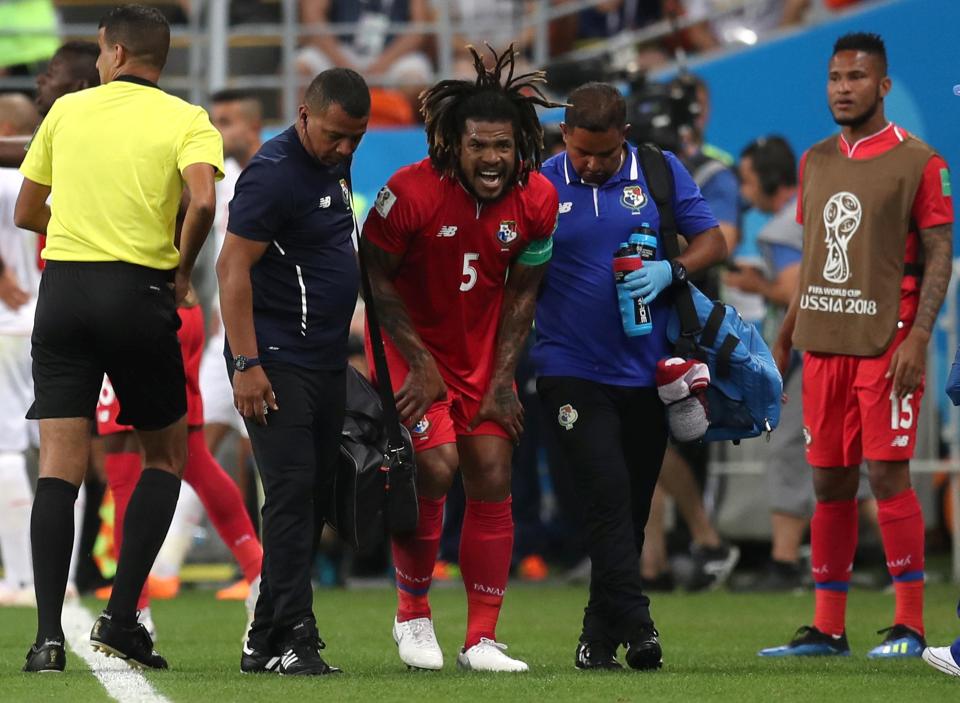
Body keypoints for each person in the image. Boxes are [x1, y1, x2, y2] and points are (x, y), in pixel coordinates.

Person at [15, 5, 222, 672]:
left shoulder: (68, 114)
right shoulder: (187, 120)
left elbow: (26, 210)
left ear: (113, 51)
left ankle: (48, 636)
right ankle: (121, 614)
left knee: (59, 466)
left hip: (65, 292)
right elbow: (205, 202)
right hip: (138, 291)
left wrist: (81, 218)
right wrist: (181, 270)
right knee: (164, 453)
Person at [361, 45, 559, 673]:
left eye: (503, 145)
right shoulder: (409, 192)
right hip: (407, 348)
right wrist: (419, 364)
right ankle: (413, 615)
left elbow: (524, 295)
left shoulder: (537, 200)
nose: (493, 159)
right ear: (454, 142)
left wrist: (502, 382)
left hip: (481, 354)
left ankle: (481, 639)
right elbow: (375, 276)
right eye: (480, 146)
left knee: (493, 471)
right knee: (437, 466)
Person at [760, 32, 953, 658]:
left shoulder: (920, 161)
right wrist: (786, 335)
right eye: (836, 77)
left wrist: (919, 336)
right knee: (829, 484)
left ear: (884, 86)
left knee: (888, 475)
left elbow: (939, 254)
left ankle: (910, 626)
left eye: (857, 78)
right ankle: (828, 629)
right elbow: (817, 261)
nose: (844, 88)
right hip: (823, 347)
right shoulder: (815, 159)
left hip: (885, 342)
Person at [534, 82, 727, 670]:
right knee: (608, 492)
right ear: (564, 134)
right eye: (581, 151)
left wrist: (671, 269)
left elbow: (712, 241)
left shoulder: (659, 172)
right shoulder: (541, 181)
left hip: (647, 372)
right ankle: (640, 626)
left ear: (625, 137)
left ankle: (597, 636)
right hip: (567, 366)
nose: (591, 163)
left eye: (604, 153)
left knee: (631, 506)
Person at [217, 67, 370, 677]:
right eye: (335, 134)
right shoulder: (274, 174)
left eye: (355, 138)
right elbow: (233, 270)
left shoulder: (333, 161)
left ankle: (263, 635)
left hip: (325, 357)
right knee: (290, 493)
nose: (344, 148)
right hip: (277, 357)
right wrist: (248, 363)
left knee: (313, 493)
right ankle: (296, 637)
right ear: (305, 114)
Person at [94, 286, 264, 639]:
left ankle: (134, 609)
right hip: (182, 304)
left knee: (125, 467)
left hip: (131, 304)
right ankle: (260, 574)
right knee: (194, 459)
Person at [724, 135, 808, 591]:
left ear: (770, 179)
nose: (743, 189)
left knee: (787, 449)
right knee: (854, 463)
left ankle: (784, 564)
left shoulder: (781, 227)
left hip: (808, 354)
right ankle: (892, 563)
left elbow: (798, 293)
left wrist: (756, 287)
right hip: (838, 348)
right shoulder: (808, 213)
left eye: (748, 178)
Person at [0, 93, 41, 608]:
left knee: (6, 447)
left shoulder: (2, 178)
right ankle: (65, 575)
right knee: (58, 447)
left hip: (8, 324)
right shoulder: (47, 174)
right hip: (50, 320)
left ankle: (22, 578)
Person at [0, 41, 101, 169]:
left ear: (80, 86)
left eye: (50, 74)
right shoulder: (56, 130)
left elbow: (32, 151)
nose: (40, 80)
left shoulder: (86, 136)